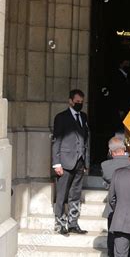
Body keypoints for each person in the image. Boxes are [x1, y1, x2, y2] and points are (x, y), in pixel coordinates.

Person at [100, 136, 130, 257]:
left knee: (113, 247)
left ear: (110, 151)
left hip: (114, 212)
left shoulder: (106, 165)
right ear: (125, 149)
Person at [51, 89, 89, 236]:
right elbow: (56, 141)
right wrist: (57, 163)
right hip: (65, 162)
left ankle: (73, 223)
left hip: (79, 162)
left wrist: (85, 162)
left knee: (75, 194)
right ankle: (60, 224)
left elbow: (86, 140)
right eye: (77, 102)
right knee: (61, 195)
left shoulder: (84, 117)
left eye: (81, 102)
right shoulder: (61, 117)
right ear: (70, 101)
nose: (79, 104)